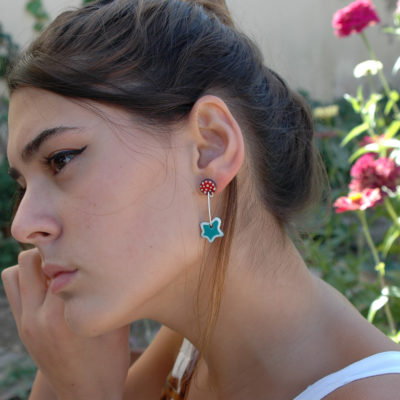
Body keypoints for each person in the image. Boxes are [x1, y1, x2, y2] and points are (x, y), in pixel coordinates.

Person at [2, 0, 400, 398]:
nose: (22, 225)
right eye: (23, 185)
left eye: (61, 160)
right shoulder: (189, 349)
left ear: (210, 148)